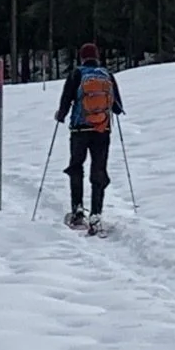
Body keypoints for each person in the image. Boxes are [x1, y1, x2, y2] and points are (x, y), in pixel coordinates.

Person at [55, 43, 122, 232]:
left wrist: (60, 115)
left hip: (79, 129)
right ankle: (96, 214)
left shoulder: (77, 74)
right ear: (97, 57)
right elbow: (117, 107)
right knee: (98, 169)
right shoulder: (107, 75)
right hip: (102, 130)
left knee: (76, 167)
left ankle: (77, 211)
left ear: (81, 57)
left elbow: (66, 99)